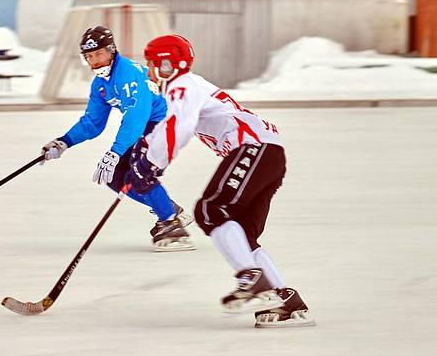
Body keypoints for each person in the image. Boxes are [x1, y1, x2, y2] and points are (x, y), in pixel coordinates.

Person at [126, 34, 315, 328]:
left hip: (254, 147)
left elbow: (180, 126)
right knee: (241, 232)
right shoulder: (189, 88)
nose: (150, 72)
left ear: (168, 64)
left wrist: (151, 164)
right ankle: (285, 302)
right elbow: (173, 123)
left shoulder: (182, 84)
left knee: (210, 209)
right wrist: (145, 147)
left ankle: (252, 282)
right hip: (268, 152)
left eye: (153, 65)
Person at [40, 26, 194, 252]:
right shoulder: (101, 85)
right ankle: (169, 210)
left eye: (99, 54)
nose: (95, 62)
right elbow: (93, 122)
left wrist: (115, 152)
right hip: (145, 126)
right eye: (89, 57)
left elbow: (135, 118)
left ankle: (174, 228)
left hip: (164, 123)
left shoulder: (129, 75)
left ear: (112, 51)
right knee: (114, 177)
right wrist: (64, 142)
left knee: (140, 172)